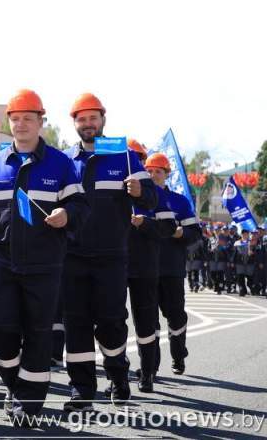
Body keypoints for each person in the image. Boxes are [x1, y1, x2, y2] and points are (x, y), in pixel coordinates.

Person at [0, 89, 88, 426]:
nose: (21, 125)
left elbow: (80, 207)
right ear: (10, 123)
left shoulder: (60, 164)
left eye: (28, 119)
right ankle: (15, 385)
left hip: (44, 262)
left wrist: (66, 213)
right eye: (16, 119)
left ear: (40, 122)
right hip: (1, 260)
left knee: (38, 333)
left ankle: (28, 403)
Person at [63, 93, 158, 411]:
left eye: (93, 118)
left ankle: (118, 377)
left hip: (112, 257)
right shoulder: (65, 160)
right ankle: (81, 388)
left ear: (103, 120)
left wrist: (141, 190)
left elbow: (153, 201)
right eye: (82, 119)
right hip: (72, 256)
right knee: (75, 324)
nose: (88, 124)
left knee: (111, 322)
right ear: (74, 123)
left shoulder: (127, 156)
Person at [121, 145, 175, 393]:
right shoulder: (111, 186)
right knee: (111, 321)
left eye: (139, 158)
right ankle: (118, 372)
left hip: (144, 266)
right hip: (115, 265)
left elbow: (168, 229)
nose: (135, 163)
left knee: (146, 323)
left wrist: (145, 224)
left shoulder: (155, 192)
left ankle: (148, 372)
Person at [146, 152, 199, 379]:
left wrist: (180, 233)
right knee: (148, 321)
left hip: (171, 269)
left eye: (158, 171)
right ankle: (151, 367)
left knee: (175, 316)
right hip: (144, 270)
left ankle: (178, 355)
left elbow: (196, 233)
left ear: (167, 174)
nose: (153, 175)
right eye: (149, 171)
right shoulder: (137, 200)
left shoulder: (179, 201)